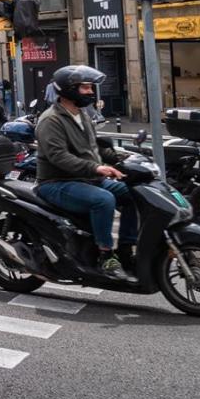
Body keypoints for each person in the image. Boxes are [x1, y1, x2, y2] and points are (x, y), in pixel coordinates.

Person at [33, 65, 137, 282]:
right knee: (104, 200)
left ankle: (126, 248)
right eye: (85, 87)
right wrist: (96, 168)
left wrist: (123, 157)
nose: (91, 92)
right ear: (69, 90)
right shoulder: (50, 120)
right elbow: (59, 157)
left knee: (134, 193)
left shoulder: (83, 115)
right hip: (56, 182)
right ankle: (106, 255)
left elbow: (94, 148)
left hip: (86, 179)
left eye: (91, 87)